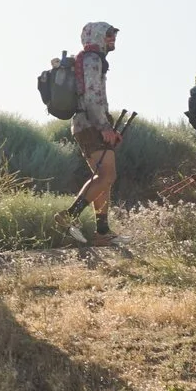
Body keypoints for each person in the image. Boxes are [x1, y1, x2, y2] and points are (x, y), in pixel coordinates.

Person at [63, 22, 122, 246]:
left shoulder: (91, 59)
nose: (112, 39)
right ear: (96, 36)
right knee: (107, 176)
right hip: (90, 125)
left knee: (103, 179)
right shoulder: (92, 59)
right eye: (108, 35)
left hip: (87, 123)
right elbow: (92, 95)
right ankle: (69, 216)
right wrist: (104, 127)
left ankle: (102, 231)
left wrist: (108, 126)